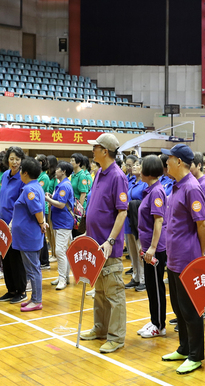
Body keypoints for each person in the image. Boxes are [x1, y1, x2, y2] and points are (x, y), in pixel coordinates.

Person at [160, 143, 205, 374]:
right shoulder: (175, 186)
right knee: (179, 309)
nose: (165, 162)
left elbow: (202, 224)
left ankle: (196, 355)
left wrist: (201, 255)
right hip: (174, 259)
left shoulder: (192, 188)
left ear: (178, 161)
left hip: (188, 260)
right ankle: (184, 348)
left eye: (168, 159)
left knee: (190, 310)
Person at [78, 134, 129, 354]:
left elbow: (122, 212)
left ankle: (116, 337)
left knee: (114, 293)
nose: (92, 150)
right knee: (99, 291)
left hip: (109, 247)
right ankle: (100, 328)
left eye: (95, 147)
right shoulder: (99, 172)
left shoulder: (118, 176)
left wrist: (110, 239)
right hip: (94, 244)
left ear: (105, 151)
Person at [135, 155, 169, 338]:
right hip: (147, 246)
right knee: (150, 285)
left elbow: (159, 221)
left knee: (156, 287)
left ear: (148, 171)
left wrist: (153, 248)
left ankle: (160, 325)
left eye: (141, 167)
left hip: (155, 249)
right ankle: (154, 320)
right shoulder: (149, 190)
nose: (138, 170)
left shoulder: (157, 192)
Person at [12, 157, 47, 312]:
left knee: (33, 270)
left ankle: (37, 300)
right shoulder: (33, 186)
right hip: (27, 235)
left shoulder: (29, 189)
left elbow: (37, 209)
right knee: (31, 269)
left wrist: (41, 223)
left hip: (29, 235)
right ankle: (33, 298)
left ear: (25, 173)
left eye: (20, 170)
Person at [0, 147, 28, 304]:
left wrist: (12, 222)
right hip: (2, 223)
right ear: (7, 160)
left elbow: (22, 204)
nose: (15, 162)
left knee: (16, 259)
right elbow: (2, 198)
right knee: (5, 258)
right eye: (12, 158)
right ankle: (11, 290)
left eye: (18, 159)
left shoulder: (22, 178)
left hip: (15, 225)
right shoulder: (5, 176)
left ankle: (21, 291)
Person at [45, 161, 75, 290]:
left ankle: (63, 278)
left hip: (64, 222)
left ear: (63, 172)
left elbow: (61, 205)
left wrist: (48, 199)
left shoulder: (64, 186)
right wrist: (52, 197)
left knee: (59, 251)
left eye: (58, 169)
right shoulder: (60, 185)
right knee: (63, 250)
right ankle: (64, 276)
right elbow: (60, 201)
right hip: (59, 222)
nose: (55, 170)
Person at [124, 155, 147, 291]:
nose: (134, 167)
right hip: (128, 221)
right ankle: (136, 276)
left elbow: (145, 204)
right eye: (134, 165)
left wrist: (131, 205)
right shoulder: (132, 182)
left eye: (137, 165)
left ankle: (143, 279)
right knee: (132, 251)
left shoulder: (145, 184)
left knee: (140, 250)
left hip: (139, 222)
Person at [35, 155, 52, 270]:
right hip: (38, 207)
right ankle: (43, 259)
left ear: (41, 163)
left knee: (42, 235)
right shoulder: (38, 175)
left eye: (36, 160)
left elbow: (38, 190)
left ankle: (45, 261)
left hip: (42, 208)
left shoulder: (44, 177)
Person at [70, 153, 92, 237]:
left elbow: (83, 194)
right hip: (73, 207)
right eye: (70, 160)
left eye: (72, 161)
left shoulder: (82, 175)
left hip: (79, 209)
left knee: (78, 233)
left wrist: (79, 210)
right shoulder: (73, 175)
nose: (70, 162)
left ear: (78, 163)